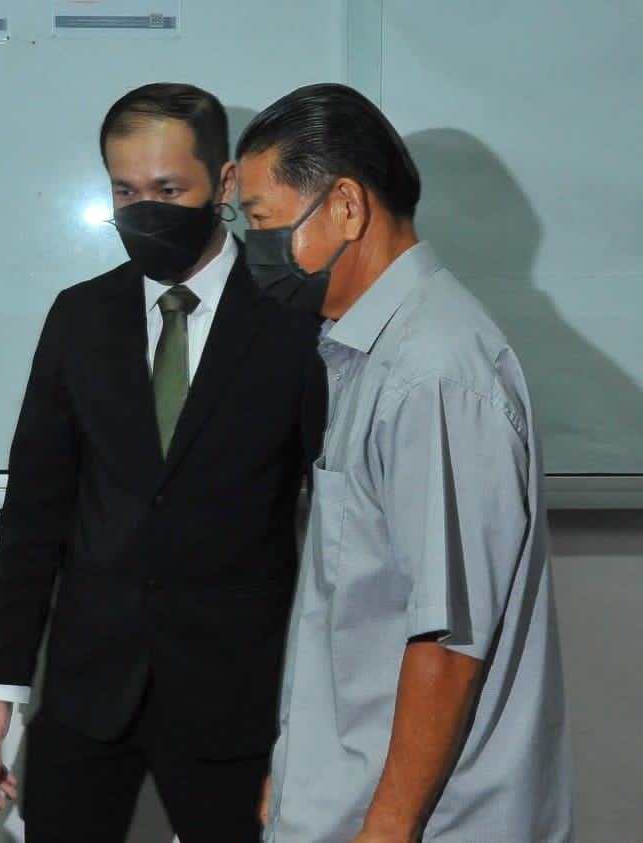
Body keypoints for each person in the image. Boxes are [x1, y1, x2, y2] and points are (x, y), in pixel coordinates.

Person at [0, 83, 324, 842]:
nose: (144, 209)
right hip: (87, 695)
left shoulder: (294, 317)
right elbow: (35, 512)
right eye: (125, 190)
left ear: (223, 184)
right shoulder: (79, 317)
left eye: (168, 189)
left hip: (239, 701)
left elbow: (337, 522)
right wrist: (0, 689)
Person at [234, 83, 573, 842]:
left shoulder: (433, 373)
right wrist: (295, 776)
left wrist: (386, 827)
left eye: (262, 220)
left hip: (417, 823)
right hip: (347, 798)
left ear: (346, 206)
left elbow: (446, 642)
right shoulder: (371, 351)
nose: (254, 247)